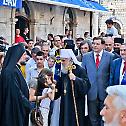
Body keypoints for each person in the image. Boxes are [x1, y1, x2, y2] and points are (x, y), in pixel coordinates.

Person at [82, 37, 113, 126]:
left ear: (103, 45)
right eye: (94, 43)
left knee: (105, 118)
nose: (95, 45)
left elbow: (111, 74)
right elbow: (84, 75)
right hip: (91, 92)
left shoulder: (110, 57)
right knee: (93, 119)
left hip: (105, 93)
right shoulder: (86, 57)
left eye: (97, 44)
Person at [54, 49, 90, 126]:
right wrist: (53, 86)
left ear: (70, 59)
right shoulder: (63, 71)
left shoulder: (80, 70)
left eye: (64, 60)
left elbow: (86, 85)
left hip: (76, 103)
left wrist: (75, 79)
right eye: (61, 60)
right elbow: (59, 88)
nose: (62, 63)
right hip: (65, 102)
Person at [0, 43, 31, 126]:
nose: (26, 56)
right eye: (24, 54)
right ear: (18, 55)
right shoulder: (10, 71)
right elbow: (16, 92)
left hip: (17, 107)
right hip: (13, 109)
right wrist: (27, 104)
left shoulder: (15, 68)